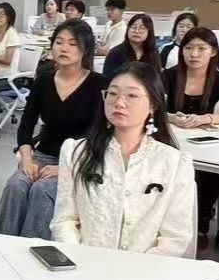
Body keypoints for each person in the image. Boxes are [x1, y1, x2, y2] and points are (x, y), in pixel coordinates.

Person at [52, 61, 196, 257]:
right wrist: (77, 259)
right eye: (112, 93)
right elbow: (64, 220)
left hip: (146, 269)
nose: (119, 102)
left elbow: (175, 237)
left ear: (153, 104)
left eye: (132, 95)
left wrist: (134, 269)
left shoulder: (174, 162)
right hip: (84, 264)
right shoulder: (75, 152)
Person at [0, 20, 103, 239]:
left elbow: (101, 135)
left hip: (79, 159)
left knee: (41, 189)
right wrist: (27, 160)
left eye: (72, 43)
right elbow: (26, 125)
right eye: (59, 42)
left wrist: (66, 169)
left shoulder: (99, 84)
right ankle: (3, 243)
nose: (64, 48)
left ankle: (32, 248)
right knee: (16, 186)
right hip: (43, 154)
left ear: (85, 49)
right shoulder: (44, 79)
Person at [164, 27, 219, 249]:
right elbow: (154, 107)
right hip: (172, 138)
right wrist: (172, 117)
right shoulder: (169, 75)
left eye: (201, 48)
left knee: (210, 174)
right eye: (188, 48)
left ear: (213, 51)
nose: (194, 54)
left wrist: (206, 118)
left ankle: (201, 225)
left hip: (204, 141)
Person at [102, 11, 161, 80]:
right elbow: (107, 79)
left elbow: (157, 79)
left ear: (149, 32)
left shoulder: (153, 53)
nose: (137, 31)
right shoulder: (116, 52)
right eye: (133, 27)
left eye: (142, 28)